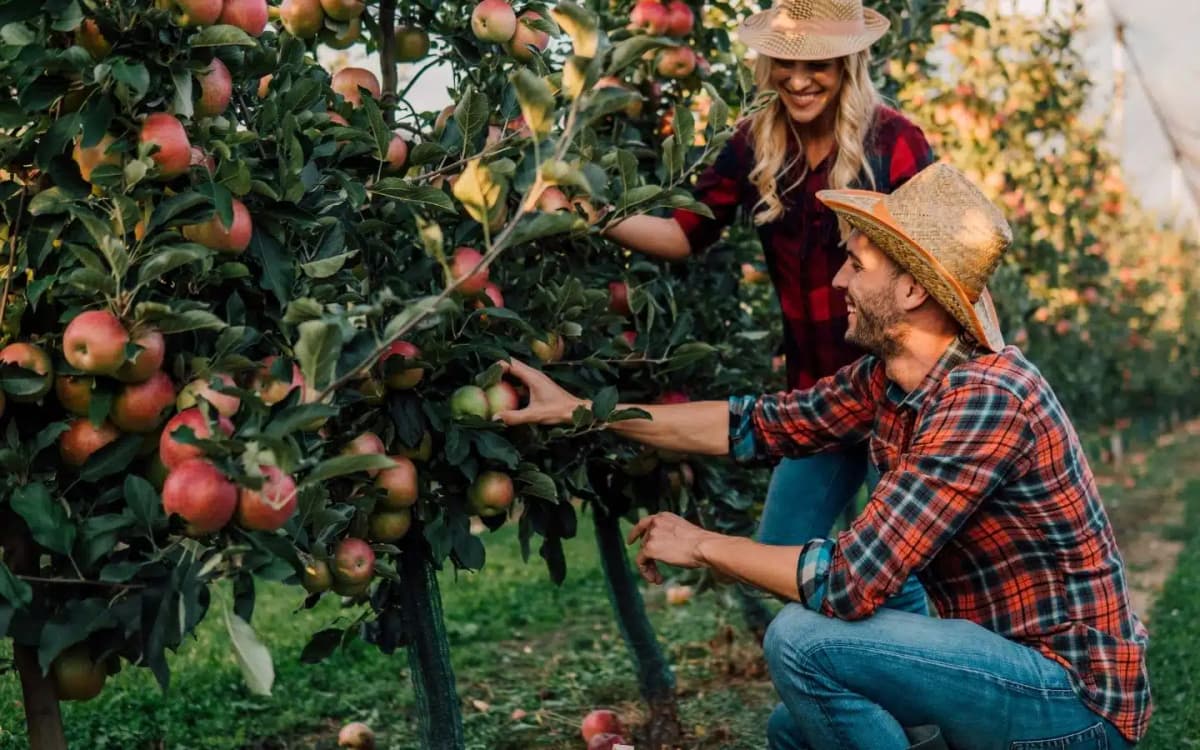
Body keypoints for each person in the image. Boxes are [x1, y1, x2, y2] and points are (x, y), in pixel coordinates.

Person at [496, 163, 1151, 749]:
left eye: (858, 264)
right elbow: (754, 424)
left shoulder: (985, 398)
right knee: (796, 727)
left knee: (801, 642)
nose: (839, 277)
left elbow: (850, 581)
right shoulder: (890, 382)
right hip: (997, 669)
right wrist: (580, 411)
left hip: (1074, 708)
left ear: (913, 291)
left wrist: (700, 545)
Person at [605, 0, 935, 619]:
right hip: (816, 400)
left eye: (820, 64)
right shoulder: (756, 145)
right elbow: (681, 234)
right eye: (785, 61)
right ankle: (838, 681)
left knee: (901, 568)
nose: (800, 79)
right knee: (778, 553)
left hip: (896, 393)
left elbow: (942, 261)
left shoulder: (893, 143)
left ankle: (915, 694)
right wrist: (593, 216)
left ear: (848, 63)